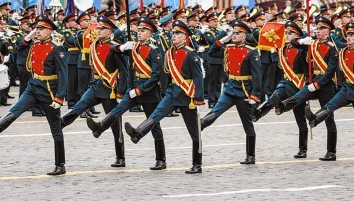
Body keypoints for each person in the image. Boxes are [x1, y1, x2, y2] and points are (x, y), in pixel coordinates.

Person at [0, 16, 68, 175]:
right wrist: (27, 38)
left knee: (56, 128)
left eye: (41, 29)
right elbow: (17, 52)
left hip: (49, 90)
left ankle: (60, 164)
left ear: (49, 31)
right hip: (34, 85)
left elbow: (63, 74)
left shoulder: (57, 48)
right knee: (18, 107)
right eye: (36, 29)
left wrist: (59, 97)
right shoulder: (34, 45)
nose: (37, 31)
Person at [124, 20, 205, 174]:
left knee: (194, 131)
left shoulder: (191, 54)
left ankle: (197, 164)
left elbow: (198, 77)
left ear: (185, 37)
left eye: (178, 33)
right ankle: (138, 133)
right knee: (156, 115)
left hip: (187, 95)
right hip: (172, 92)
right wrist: (163, 91)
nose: (174, 36)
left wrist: (198, 98)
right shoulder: (169, 52)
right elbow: (166, 75)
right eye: (173, 33)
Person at [87, 17, 167, 170]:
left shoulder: (154, 50)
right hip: (134, 86)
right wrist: (122, 47)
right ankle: (100, 127)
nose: (139, 32)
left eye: (143, 31)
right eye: (139, 30)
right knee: (118, 109)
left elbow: (156, 75)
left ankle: (161, 159)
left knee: (154, 124)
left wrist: (139, 90)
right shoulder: (134, 47)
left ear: (150, 33)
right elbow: (112, 49)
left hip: (148, 90)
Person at [60, 16, 128, 167]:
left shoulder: (115, 48)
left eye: (102, 29)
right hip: (96, 85)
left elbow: (124, 71)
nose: (98, 31)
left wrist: (121, 93)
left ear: (110, 32)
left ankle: (120, 157)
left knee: (115, 124)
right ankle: (60, 124)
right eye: (98, 28)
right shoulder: (94, 45)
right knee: (78, 107)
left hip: (109, 89)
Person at [308, 22, 354, 164]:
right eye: (348, 35)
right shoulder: (343, 51)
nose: (349, 37)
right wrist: (338, 85)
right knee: (330, 105)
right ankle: (315, 119)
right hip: (346, 89)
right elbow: (340, 70)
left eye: (352, 35)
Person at [274, 16, 339, 161]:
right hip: (313, 80)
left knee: (328, 116)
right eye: (317, 27)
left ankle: (331, 152)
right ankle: (283, 106)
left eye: (321, 28)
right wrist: (302, 41)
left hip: (325, 84)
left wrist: (317, 84)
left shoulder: (332, 48)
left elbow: (330, 71)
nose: (318, 30)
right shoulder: (312, 43)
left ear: (328, 31)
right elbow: (293, 42)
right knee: (298, 97)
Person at [200, 19, 262, 164]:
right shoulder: (228, 48)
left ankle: (250, 155)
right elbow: (211, 52)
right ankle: (201, 125)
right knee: (216, 110)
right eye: (233, 32)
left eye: (238, 33)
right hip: (230, 88)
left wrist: (256, 94)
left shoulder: (251, 52)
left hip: (244, 91)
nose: (234, 35)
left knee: (247, 124)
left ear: (245, 35)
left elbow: (258, 75)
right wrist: (225, 39)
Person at [253, 20, 308, 158]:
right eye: (287, 32)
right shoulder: (282, 49)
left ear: (297, 35)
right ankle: (258, 113)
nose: (287, 35)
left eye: (291, 33)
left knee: (300, 119)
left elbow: (307, 72)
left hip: (298, 85)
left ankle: (303, 149)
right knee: (274, 96)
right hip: (285, 82)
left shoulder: (301, 51)